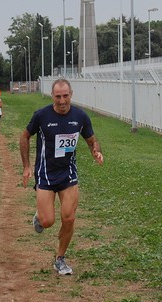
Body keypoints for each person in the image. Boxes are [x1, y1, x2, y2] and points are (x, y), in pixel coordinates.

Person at [20, 79, 104, 275]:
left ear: (71, 95)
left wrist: (96, 151)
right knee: (48, 221)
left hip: (68, 174)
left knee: (69, 218)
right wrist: (26, 166)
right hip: (46, 175)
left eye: (65, 96)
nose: (62, 100)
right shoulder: (41, 116)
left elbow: (92, 141)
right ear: (53, 97)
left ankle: (60, 258)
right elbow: (24, 136)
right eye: (58, 96)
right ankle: (40, 218)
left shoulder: (80, 117)